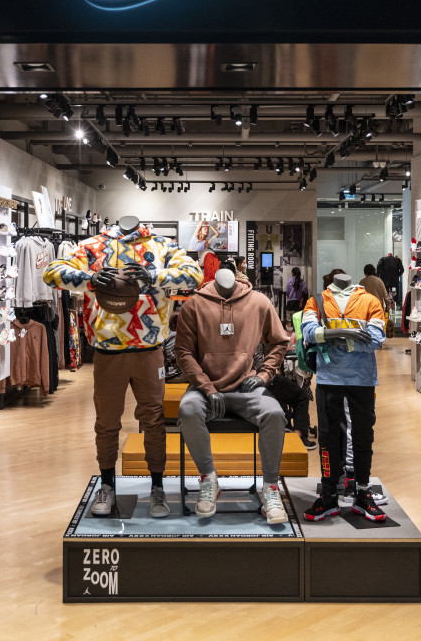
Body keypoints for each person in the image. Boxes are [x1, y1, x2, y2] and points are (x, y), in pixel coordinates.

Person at [43, 215, 203, 519]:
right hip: (108, 351)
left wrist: (153, 275)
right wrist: (90, 279)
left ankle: (157, 487)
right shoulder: (93, 246)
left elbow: (194, 275)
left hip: (149, 350)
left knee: (154, 420)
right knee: (106, 422)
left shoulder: (162, 245)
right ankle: (107, 485)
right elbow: (51, 273)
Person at [174, 267, 292, 525]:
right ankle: (209, 479)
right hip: (205, 389)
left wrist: (263, 375)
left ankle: (270, 487)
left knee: (274, 413)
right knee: (187, 410)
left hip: (246, 388)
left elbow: (280, 341)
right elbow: (182, 351)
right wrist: (207, 387)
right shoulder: (193, 305)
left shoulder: (259, 302)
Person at [300, 270, 388, 522]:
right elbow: (309, 333)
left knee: (363, 436)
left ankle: (362, 492)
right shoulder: (317, 300)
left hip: (362, 380)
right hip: (329, 379)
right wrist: (350, 334)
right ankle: (329, 494)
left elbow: (375, 340)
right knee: (327, 439)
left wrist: (330, 336)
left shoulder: (370, 301)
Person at [360, 263, 394, 339]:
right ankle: (377, 339)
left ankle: (367, 338)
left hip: (365, 306)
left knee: (366, 324)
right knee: (377, 324)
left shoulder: (362, 282)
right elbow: (385, 295)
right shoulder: (379, 281)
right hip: (377, 306)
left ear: (365, 273)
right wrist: (388, 304)